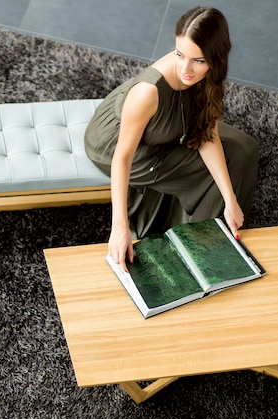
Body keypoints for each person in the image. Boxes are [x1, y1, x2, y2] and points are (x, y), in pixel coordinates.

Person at [84, 6, 258, 273]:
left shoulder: (207, 73)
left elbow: (207, 135)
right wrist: (119, 226)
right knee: (213, 172)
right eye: (179, 54)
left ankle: (220, 220)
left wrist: (230, 199)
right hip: (115, 146)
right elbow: (122, 157)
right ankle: (196, 248)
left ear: (215, 57)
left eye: (198, 60)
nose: (185, 69)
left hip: (159, 132)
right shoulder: (148, 93)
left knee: (243, 149)